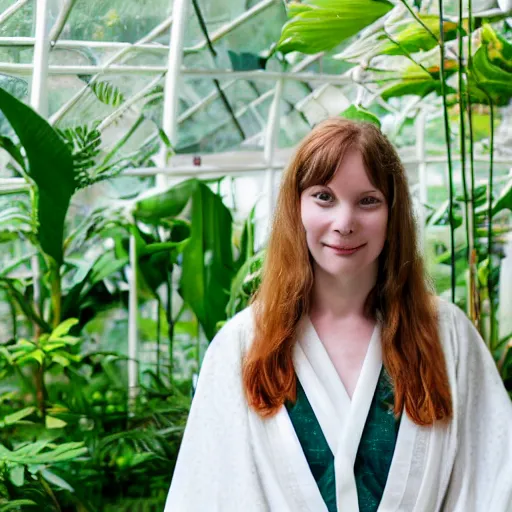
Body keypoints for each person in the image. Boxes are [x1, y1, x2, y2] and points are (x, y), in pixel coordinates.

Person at [164, 118, 512, 512]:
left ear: (392, 213)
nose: (344, 224)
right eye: (323, 197)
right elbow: (209, 490)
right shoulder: (242, 345)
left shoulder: (447, 335)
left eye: (368, 201)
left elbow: (494, 479)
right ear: (296, 207)